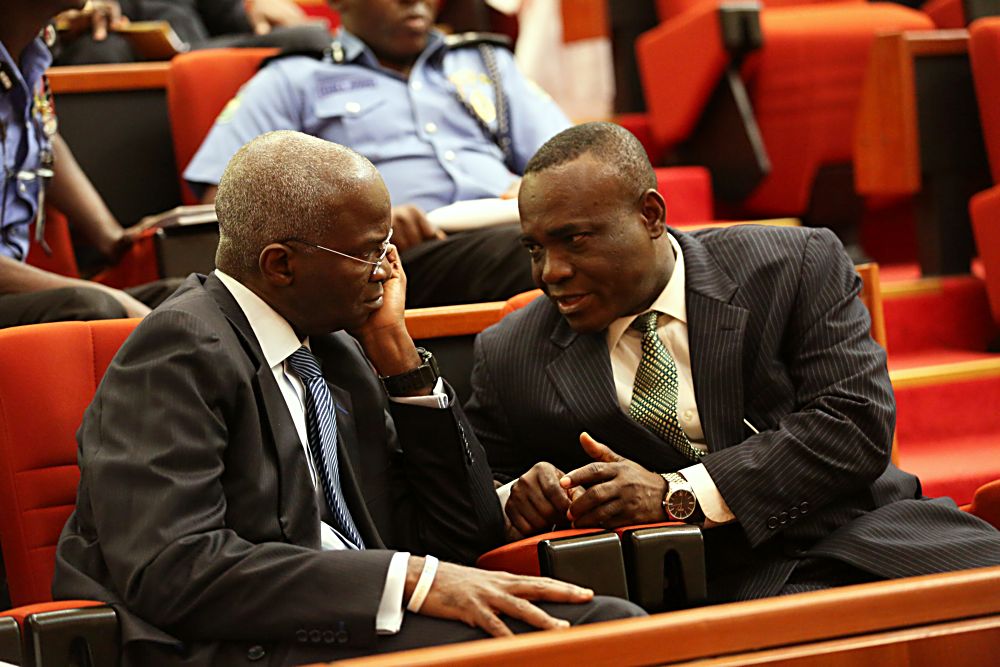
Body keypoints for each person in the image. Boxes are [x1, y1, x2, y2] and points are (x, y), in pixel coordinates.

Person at [52, 131, 642, 665]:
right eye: (368, 252)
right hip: (235, 644)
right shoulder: (180, 348)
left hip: (347, 623)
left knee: (611, 628)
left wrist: (398, 357)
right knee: (596, 640)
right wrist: (409, 581)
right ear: (280, 265)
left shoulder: (337, 351)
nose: (388, 272)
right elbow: (173, 569)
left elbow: (461, 537)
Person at [465, 121, 1000, 603]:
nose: (549, 272)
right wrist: (516, 498)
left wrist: (679, 494)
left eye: (574, 240)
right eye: (534, 248)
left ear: (650, 215)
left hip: (863, 537)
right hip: (689, 591)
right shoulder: (510, 351)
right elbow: (475, 491)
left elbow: (853, 426)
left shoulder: (795, 265)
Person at [184, 0, 571, 307]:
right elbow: (229, 205)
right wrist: (365, 225)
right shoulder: (293, 78)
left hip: (512, 225)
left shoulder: (486, 63)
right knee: (549, 256)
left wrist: (539, 189)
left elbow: (571, 160)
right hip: (390, 261)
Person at [1, 0, 179, 330]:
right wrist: (104, 294)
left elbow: (43, 134)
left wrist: (113, 237)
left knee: (191, 298)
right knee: (96, 308)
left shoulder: (29, 50)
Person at [51, 0, 331, 66]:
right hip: (115, 47)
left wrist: (253, 10)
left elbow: (226, 15)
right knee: (101, 51)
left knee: (309, 38)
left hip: (196, 50)